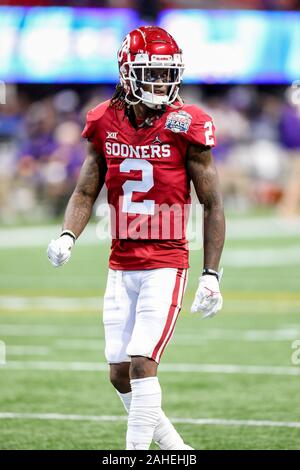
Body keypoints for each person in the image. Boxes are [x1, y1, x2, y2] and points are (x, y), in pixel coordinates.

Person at [47, 26, 225, 450]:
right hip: (120, 262)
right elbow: (87, 189)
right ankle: (179, 453)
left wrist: (211, 274)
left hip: (165, 262)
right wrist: (68, 234)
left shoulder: (187, 123)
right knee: (119, 373)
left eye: (167, 74)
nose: (161, 82)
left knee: (144, 364)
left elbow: (213, 203)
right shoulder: (102, 120)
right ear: (128, 72)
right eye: (151, 73)